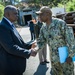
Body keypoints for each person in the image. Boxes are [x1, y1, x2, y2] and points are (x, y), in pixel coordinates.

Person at [35, 6, 75, 75]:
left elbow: (70, 40)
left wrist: (71, 56)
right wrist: (35, 49)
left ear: (47, 14)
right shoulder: (43, 27)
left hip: (65, 58)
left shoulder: (60, 23)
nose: (39, 16)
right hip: (54, 59)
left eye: (41, 14)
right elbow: (41, 41)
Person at [0, 5, 36, 75]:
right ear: (7, 14)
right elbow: (10, 47)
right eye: (15, 13)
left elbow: (19, 43)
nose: (17, 15)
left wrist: (32, 44)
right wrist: (28, 52)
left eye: (17, 13)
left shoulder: (9, 24)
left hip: (15, 66)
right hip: (10, 67)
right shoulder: (2, 27)